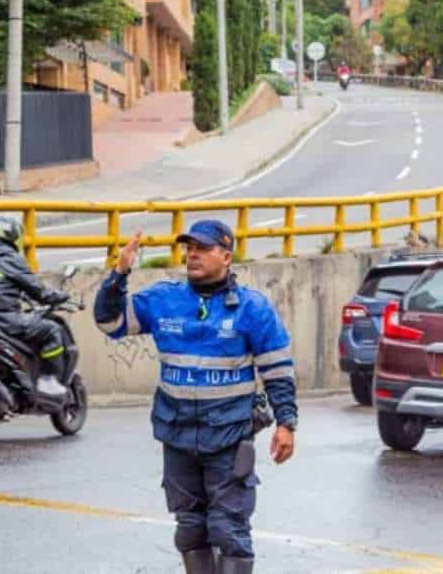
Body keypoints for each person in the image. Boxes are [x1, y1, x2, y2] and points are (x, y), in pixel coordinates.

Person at [93, 220, 298, 574]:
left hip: (229, 438)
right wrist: (119, 274)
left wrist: (286, 423)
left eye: (203, 249)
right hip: (177, 435)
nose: (193, 255)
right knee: (190, 530)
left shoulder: (252, 308)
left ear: (227, 256)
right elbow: (109, 323)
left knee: (229, 529)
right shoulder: (163, 300)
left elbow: (277, 371)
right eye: (190, 248)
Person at [0, 216, 76, 396]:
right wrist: (58, 296)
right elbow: (39, 291)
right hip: (3, 320)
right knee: (51, 330)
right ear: (14, 236)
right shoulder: (11, 258)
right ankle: (48, 379)